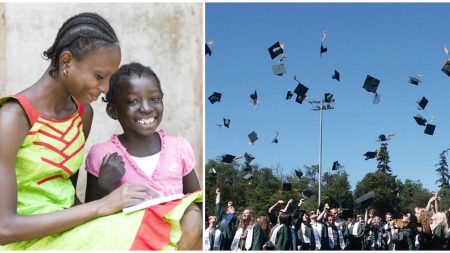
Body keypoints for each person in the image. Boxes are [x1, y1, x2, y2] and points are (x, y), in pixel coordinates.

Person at [0, 12, 201, 250]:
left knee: (190, 218)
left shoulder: (82, 114)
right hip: (26, 243)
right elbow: (4, 229)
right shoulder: (12, 118)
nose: (105, 88)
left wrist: (103, 207)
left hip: (72, 231)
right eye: (99, 76)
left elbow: (69, 196)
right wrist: (101, 205)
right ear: (66, 61)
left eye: (109, 78)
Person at [83, 62, 202, 249]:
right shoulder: (102, 154)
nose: (146, 108)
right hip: (131, 240)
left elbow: (196, 198)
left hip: (178, 239)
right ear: (113, 110)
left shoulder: (178, 147)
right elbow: (91, 211)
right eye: (133, 101)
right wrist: (104, 184)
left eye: (154, 98)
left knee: (193, 212)